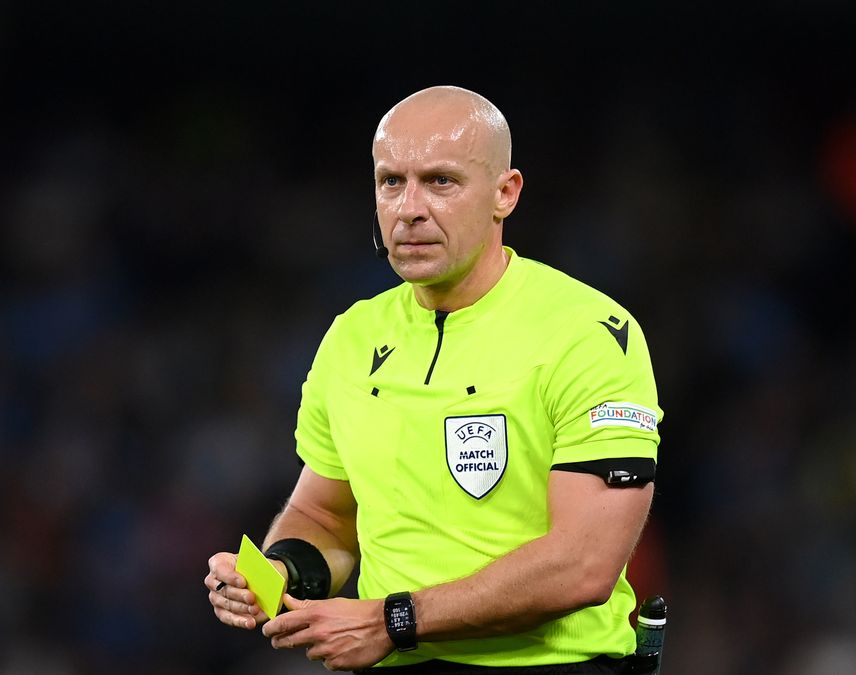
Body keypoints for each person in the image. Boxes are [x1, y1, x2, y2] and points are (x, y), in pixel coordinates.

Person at [205, 85, 663, 674]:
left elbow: (582, 565)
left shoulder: (587, 334)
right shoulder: (353, 337)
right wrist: (278, 571)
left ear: (506, 193)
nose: (409, 207)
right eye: (391, 182)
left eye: (440, 181)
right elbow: (325, 517)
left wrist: (393, 623)